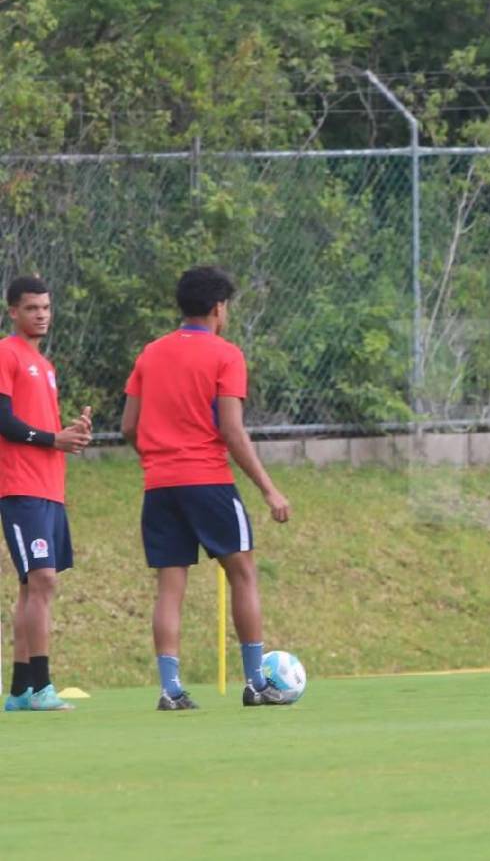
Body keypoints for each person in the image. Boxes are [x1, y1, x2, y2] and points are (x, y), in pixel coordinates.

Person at [121, 266, 292, 710]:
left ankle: (170, 689)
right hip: (208, 480)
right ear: (219, 308)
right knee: (243, 573)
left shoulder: (150, 354)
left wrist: (158, 457)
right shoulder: (225, 355)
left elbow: (128, 426)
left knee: (170, 586)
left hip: (160, 486)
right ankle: (256, 683)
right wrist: (270, 490)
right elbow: (233, 433)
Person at [1, 276, 92, 712]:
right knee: (42, 582)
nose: (41, 314)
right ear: (13, 312)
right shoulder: (6, 353)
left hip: (49, 489)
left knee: (31, 588)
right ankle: (40, 686)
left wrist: (70, 435)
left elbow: (44, 428)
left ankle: (19, 691)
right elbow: (5, 422)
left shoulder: (46, 365)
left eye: (46, 307)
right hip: (19, 487)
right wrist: (52, 439)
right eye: (32, 307)